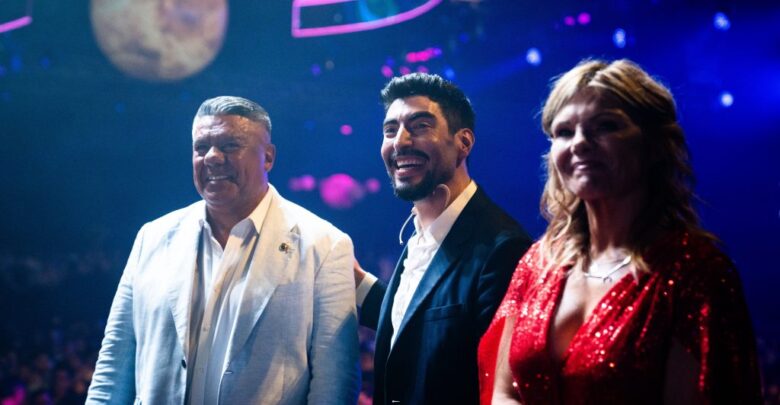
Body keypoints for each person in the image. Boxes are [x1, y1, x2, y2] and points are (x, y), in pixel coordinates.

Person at [478, 59, 763, 404]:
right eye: (565, 132)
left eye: (605, 126)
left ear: (654, 144)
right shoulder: (537, 263)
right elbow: (503, 392)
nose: (580, 143)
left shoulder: (695, 272)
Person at [86, 96, 359, 404]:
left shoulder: (325, 244)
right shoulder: (153, 237)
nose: (212, 157)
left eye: (230, 145)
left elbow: (334, 385)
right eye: (201, 147)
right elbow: (113, 368)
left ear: (268, 157)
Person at [354, 73, 533, 404]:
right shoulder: (419, 237)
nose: (400, 141)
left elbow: (497, 384)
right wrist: (357, 283)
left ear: (464, 142)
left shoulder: (502, 247)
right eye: (390, 130)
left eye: (420, 126)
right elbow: (420, 326)